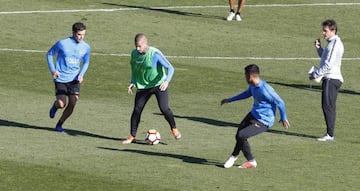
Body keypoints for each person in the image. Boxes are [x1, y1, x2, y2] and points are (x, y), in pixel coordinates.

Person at [221, 64, 290, 168]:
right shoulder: (253, 86)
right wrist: (230, 100)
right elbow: (246, 94)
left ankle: (247, 160)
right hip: (253, 114)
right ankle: (238, 157)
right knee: (238, 135)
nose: (244, 78)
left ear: (250, 76)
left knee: (241, 135)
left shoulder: (266, 90)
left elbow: (280, 102)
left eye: (245, 75)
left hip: (264, 120)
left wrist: (284, 118)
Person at [123, 33, 181, 144]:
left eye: (139, 46)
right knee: (137, 110)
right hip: (144, 87)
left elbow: (170, 67)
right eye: (136, 46)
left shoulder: (154, 54)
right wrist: (132, 82)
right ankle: (132, 136)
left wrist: (167, 81)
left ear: (145, 43)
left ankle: (174, 128)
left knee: (164, 109)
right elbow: (134, 69)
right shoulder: (134, 54)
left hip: (159, 85)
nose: (137, 48)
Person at [47, 22, 91, 132]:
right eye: (79, 34)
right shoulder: (62, 43)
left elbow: (86, 62)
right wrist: (53, 70)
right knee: (62, 104)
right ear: (73, 33)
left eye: (83, 35)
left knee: (73, 103)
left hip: (74, 79)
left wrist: (81, 74)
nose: (81, 37)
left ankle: (59, 124)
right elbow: (49, 54)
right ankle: (55, 106)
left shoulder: (86, 47)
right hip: (61, 78)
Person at [309, 19, 344, 141]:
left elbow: (328, 65)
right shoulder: (331, 43)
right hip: (330, 78)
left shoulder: (334, 43)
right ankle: (330, 134)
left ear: (333, 30)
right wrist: (319, 49)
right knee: (328, 106)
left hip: (331, 78)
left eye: (325, 31)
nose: (323, 33)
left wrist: (315, 74)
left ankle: (330, 135)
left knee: (328, 106)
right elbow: (326, 58)